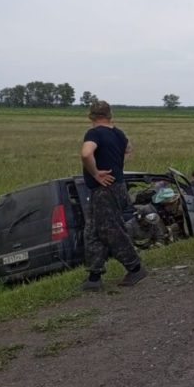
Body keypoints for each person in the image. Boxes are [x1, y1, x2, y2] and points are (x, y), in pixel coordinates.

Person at [79, 100, 145, 291]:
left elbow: (85, 154)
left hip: (104, 189)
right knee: (92, 231)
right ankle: (94, 276)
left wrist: (95, 173)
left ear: (91, 116)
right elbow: (128, 149)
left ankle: (135, 267)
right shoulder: (119, 134)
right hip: (117, 186)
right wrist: (116, 163)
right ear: (110, 115)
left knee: (110, 230)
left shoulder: (94, 133)